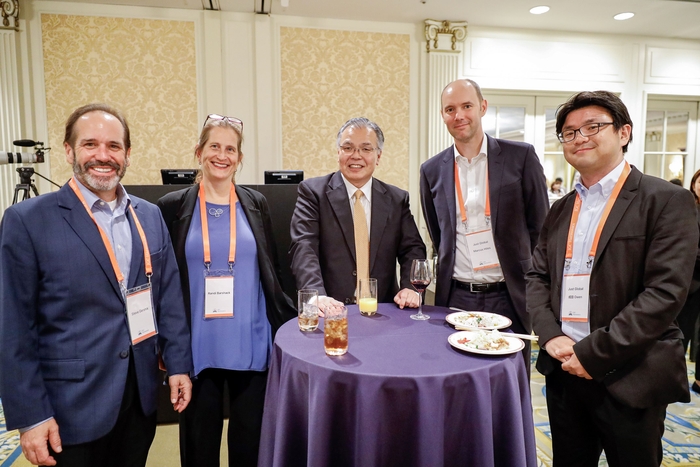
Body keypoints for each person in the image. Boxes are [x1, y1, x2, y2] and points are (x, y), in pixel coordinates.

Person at [0, 103, 193, 467]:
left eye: (114, 146)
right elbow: (13, 328)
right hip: (69, 408)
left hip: (138, 399)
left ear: (127, 154)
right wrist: (31, 416)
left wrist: (179, 365)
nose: (103, 156)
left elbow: (167, 298)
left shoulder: (149, 215)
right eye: (90, 144)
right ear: (69, 150)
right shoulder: (27, 221)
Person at [527, 90, 698, 466]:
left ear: (624, 133)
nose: (579, 138)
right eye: (569, 132)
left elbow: (665, 293)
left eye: (592, 127)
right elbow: (537, 276)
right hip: (563, 368)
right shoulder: (560, 209)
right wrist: (550, 335)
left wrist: (592, 354)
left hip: (631, 371)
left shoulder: (665, 200)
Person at [157, 114, 296, 467]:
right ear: (199, 152)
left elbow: (272, 270)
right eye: (214, 146)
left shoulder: (256, 203)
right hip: (197, 347)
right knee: (198, 448)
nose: (222, 155)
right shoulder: (172, 206)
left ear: (240, 158)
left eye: (230, 149)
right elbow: (164, 282)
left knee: (249, 448)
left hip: (251, 343)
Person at [419, 78, 548, 360]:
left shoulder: (520, 157)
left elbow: (540, 228)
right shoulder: (431, 170)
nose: (459, 115)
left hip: (510, 293)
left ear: (483, 107)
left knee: (508, 373)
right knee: (457, 373)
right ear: (442, 115)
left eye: (467, 106)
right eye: (450, 109)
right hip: (456, 296)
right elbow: (438, 235)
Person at [290, 117, 426, 307]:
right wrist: (316, 294)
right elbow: (304, 247)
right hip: (330, 308)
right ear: (338, 152)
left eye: (366, 149)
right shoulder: (313, 193)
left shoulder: (397, 199)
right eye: (348, 148)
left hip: (384, 310)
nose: (356, 156)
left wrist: (410, 288)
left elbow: (412, 249)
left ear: (378, 156)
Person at [676, 169, 700, 394]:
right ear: (693, 184)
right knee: (681, 331)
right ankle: (674, 375)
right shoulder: (686, 208)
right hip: (690, 281)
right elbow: (687, 246)